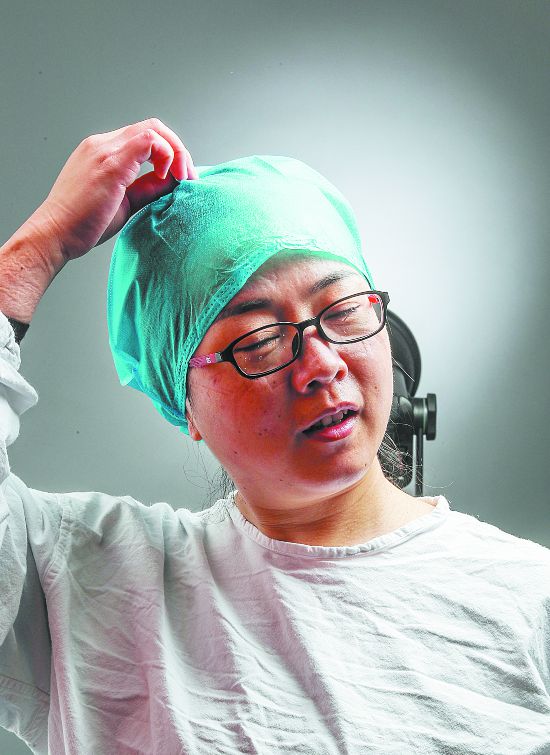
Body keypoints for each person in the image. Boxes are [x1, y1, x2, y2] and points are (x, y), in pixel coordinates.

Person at [0, 119, 548, 755]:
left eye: (345, 311)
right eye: (258, 341)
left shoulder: (527, 597)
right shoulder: (83, 582)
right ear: (186, 405)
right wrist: (35, 251)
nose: (321, 364)